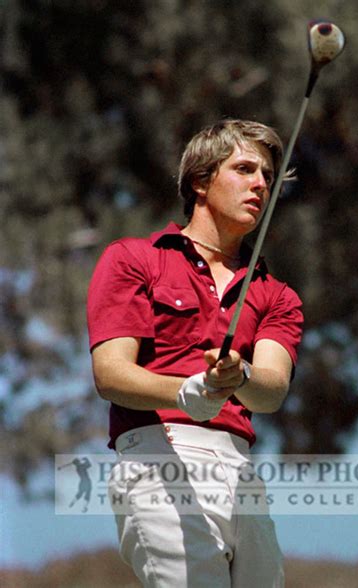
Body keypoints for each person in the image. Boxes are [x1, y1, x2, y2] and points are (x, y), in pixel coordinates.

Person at [87, 119, 303, 587]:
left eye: (267, 175)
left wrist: (240, 376)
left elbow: (271, 390)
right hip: (157, 456)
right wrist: (185, 391)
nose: (260, 184)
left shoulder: (277, 294)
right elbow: (110, 373)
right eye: (244, 169)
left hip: (242, 472)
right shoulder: (134, 259)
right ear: (201, 182)